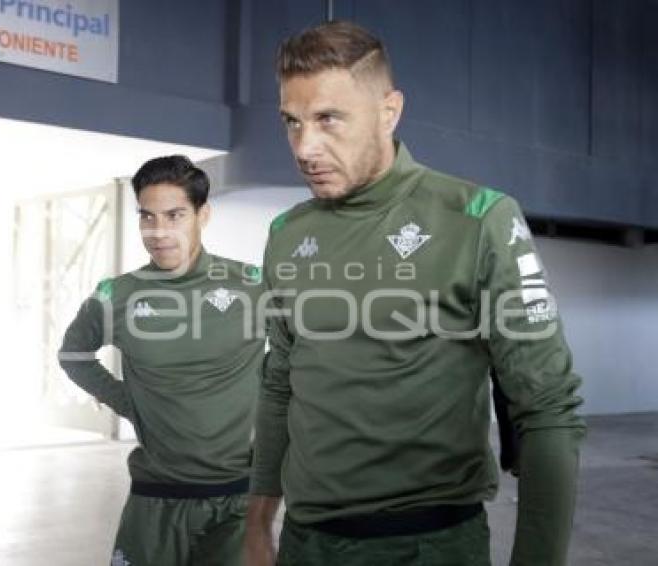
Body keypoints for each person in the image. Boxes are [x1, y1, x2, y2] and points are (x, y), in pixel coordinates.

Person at [245, 21, 585, 566]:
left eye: (328, 119)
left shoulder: (479, 218)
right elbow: (280, 383)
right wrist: (258, 521)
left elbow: (547, 410)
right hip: (304, 546)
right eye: (292, 122)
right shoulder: (287, 235)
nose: (305, 147)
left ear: (389, 111)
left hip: (427, 546)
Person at [59, 155, 264, 566]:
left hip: (240, 498)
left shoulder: (253, 285)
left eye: (174, 215)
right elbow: (72, 354)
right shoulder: (115, 295)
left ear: (202, 215)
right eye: (147, 217)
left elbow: (302, 354)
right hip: (155, 497)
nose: (158, 232)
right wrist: (127, 402)